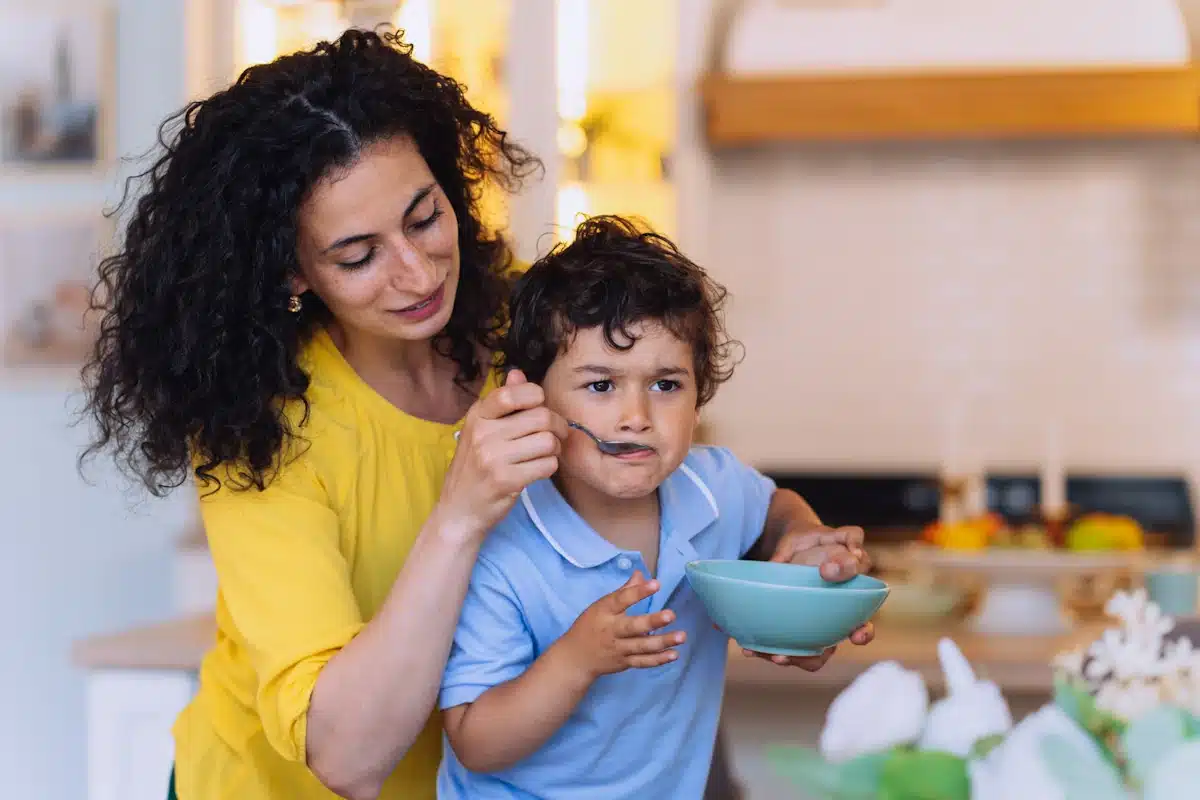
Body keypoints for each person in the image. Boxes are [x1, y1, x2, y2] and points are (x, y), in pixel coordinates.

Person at [81, 29, 869, 800]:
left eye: (424, 218)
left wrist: (788, 579)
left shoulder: (536, 325)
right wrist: (459, 514)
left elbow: (701, 487)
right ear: (291, 271)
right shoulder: (260, 432)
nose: (418, 272)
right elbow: (347, 762)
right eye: (358, 257)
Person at [437, 215, 873, 798]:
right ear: (531, 397)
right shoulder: (502, 537)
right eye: (600, 386)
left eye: (666, 384)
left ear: (700, 397)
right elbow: (475, 740)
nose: (636, 415)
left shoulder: (711, 488)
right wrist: (578, 659)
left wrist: (803, 540)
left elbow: (774, 507)